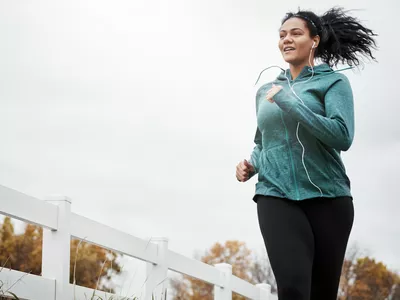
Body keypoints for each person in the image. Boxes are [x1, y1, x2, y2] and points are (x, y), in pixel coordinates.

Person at [235, 7, 377, 300]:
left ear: (314, 40)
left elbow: (342, 136)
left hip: (329, 197)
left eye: (295, 33)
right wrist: (251, 165)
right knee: (293, 289)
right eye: (282, 35)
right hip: (275, 193)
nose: (286, 39)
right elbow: (264, 143)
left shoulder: (333, 83)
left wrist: (291, 103)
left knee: (321, 293)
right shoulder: (266, 90)